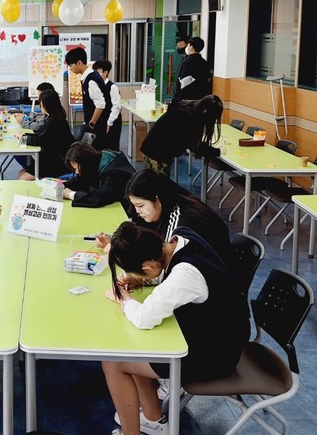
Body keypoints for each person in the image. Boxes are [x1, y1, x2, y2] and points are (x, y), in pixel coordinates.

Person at [102, 222, 249, 435]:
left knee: (113, 362)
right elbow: (169, 277)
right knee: (132, 349)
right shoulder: (180, 236)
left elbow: (144, 318)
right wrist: (141, 281)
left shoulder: (185, 273)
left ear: (148, 268)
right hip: (221, 333)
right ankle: (153, 420)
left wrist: (124, 300)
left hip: (217, 355)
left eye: (140, 274)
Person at [96, 169, 231, 268]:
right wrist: (117, 243)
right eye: (135, 205)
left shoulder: (182, 222)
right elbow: (140, 234)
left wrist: (117, 253)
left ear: (157, 200)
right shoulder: (164, 207)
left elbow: (163, 264)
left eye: (140, 205)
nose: (137, 211)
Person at [140, 94, 224, 175]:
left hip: (149, 148)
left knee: (150, 182)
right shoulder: (190, 118)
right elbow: (195, 147)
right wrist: (218, 151)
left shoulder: (186, 108)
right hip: (157, 154)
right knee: (158, 183)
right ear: (206, 112)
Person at [18, 89, 75, 180]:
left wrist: (23, 138)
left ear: (46, 105)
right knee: (21, 173)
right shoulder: (53, 117)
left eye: (41, 102)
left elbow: (41, 140)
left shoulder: (55, 122)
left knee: (23, 177)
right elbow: (41, 135)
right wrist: (24, 136)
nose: (40, 105)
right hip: (53, 158)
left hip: (59, 162)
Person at [62, 141, 135, 208]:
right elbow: (80, 180)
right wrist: (62, 186)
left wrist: (71, 194)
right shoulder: (96, 160)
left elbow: (100, 197)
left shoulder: (114, 173)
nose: (77, 172)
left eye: (76, 168)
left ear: (85, 163)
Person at [65, 47, 109, 150]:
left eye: (71, 65)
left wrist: (91, 124)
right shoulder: (89, 76)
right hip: (94, 124)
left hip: (97, 126)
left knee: (94, 152)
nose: (70, 69)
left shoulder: (91, 80)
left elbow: (100, 105)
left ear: (79, 63)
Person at [92, 59, 123, 150]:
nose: (94, 75)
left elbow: (116, 107)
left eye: (97, 72)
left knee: (111, 146)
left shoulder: (112, 87)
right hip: (102, 121)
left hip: (112, 121)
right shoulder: (97, 86)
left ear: (105, 73)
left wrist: (109, 123)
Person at [173, 36, 212, 101]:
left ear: (191, 47)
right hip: (200, 98)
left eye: (188, 45)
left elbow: (183, 83)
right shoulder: (204, 63)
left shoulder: (187, 62)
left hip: (186, 100)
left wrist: (177, 99)